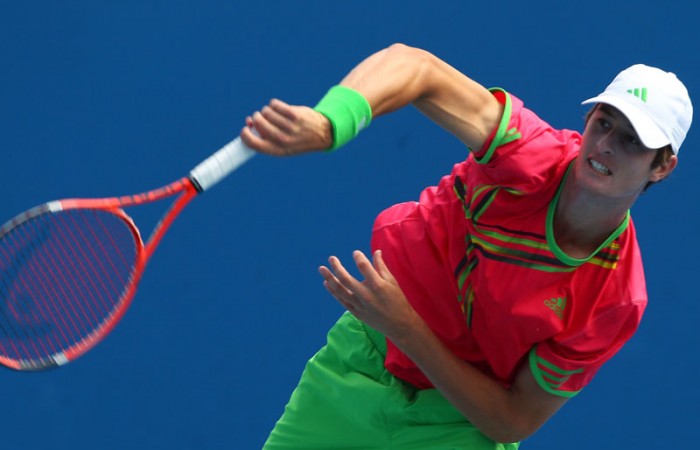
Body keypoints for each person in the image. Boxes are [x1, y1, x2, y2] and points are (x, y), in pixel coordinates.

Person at [240, 43, 693, 449]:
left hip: (460, 428)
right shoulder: (526, 152)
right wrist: (330, 121)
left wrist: (407, 328)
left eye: (633, 141)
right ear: (587, 119)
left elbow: (512, 419)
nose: (607, 145)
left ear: (662, 167)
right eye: (604, 122)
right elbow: (415, 67)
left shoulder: (614, 298)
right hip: (361, 363)